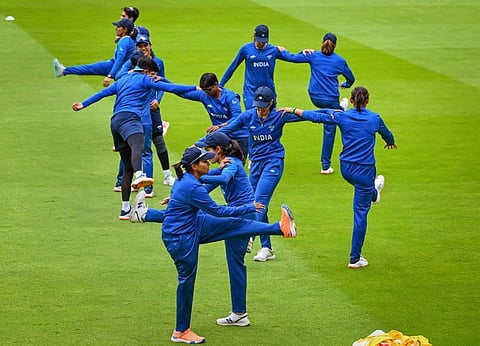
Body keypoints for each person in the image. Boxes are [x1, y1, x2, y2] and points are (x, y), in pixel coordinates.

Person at [129, 146, 297, 344]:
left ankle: (281, 228)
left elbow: (204, 186)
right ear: (194, 166)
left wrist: (218, 170)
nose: (209, 162)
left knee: (235, 223)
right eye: (205, 161)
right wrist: (248, 207)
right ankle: (180, 331)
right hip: (181, 237)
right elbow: (218, 211)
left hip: (194, 224)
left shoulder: (188, 179)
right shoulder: (192, 187)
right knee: (187, 280)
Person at [279, 86, 397, 268]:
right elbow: (387, 134)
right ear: (367, 101)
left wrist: (293, 110)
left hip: (346, 170)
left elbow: (316, 117)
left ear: (350, 101)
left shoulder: (341, 116)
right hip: (365, 171)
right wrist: (390, 142)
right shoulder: (374, 118)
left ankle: (375, 192)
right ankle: (355, 258)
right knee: (360, 214)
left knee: (366, 191)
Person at [71, 56, 197, 219]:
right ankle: (140, 175)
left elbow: (102, 93)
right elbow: (171, 88)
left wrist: (83, 104)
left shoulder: (123, 79)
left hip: (115, 122)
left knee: (126, 166)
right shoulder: (145, 79)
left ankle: (124, 209)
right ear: (147, 71)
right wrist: (195, 87)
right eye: (152, 74)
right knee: (138, 145)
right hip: (131, 119)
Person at [213, 86, 305, 261]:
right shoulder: (249, 116)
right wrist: (199, 146)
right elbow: (226, 130)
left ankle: (250, 237)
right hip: (255, 164)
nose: (261, 111)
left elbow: (308, 116)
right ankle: (267, 247)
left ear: (271, 103)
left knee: (259, 201)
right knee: (255, 203)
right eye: (258, 107)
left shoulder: (279, 115)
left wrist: (335, 113)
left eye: (264, 107)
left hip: (274, 162)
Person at [279, 32, 355, 174]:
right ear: (335, 45)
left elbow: (291, 58)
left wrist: (283, 50)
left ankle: (339, 108)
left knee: (329, 113)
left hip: (314, 97)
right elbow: (351, 79)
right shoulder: (340, 61)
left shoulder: (313, 55)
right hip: (331, 100)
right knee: (330, 129)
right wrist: (345, 84)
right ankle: (325, 166)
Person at [113, 35, 175, 197]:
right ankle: (127, 182)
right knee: (139, 149)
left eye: (145, 45)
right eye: (140, 45)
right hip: (137, 114)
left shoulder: (157, 62)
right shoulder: (134, 63)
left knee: (155, 142)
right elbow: (119, 77)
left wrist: (157, 99)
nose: (143, 48)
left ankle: (162, 178)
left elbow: (162, 84)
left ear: (150, 45)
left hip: (151, 110)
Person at [219, 24, 293, 109]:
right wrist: (221, 84)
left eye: (264, 41)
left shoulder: (273, 50)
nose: (261, 43)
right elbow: (233, 66)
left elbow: (292, 58)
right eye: (259, 40)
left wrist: (306, 54)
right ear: (254, 36)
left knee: (271, 120)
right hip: (251, 91)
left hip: (269, 91)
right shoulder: (246, 49)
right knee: (252, 118)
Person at [177, 72, 249, 158]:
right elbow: (180, 92)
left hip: (241, 137)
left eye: (208, 90)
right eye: (203, 90)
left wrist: (219, 126)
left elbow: (237, 116)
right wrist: (161, 82)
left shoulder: (230, 97)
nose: (206, 93)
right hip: (223, 138)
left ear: (216, 85)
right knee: (225, 164)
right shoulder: (204, 95)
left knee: (234, 165)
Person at [53, 18, 135, 87]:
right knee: (89, 68)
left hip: (117, 68)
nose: (116, 28)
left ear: (125, 30)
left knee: (89, 68)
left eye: (118, 27)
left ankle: (64, 71)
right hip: (115, 65)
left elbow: (120, 59)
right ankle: (64, 70)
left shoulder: (124, 41)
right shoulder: (128, 40)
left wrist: (110, 75)